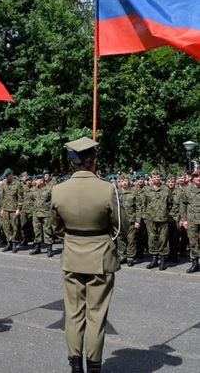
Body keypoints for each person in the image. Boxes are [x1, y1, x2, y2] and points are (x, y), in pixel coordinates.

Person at [51, 137, 127, 373]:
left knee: (73, 315)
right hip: (100, 258)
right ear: (93, 161)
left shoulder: (58, 190)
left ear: (73, 162)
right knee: (96, 315)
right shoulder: (107, 189)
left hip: (72, 256)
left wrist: (74, 238)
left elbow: (56, 228)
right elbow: (122, 226)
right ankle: (94, 367)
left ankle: (75, 365)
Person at [142, 169, 172, 270]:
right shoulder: (146, 190)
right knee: (152, 239)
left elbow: (170, 204)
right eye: (154, 177)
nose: (157, 178)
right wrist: (145, 217)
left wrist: (168, 214)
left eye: (158, 176)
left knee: (163, 239)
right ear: (151, 178)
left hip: (163, 218)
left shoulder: (166, 189)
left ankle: (163, 260)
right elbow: (143, 204)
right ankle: (154, 260)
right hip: (150, 219)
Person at [179, 169, 200, 273]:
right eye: (196, 176)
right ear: (193, 178)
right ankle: (195, 263)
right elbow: (183, 204)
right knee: (193, 242)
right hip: (192, 221)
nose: (199, 178)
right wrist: (184, 219)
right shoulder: (187, 190)